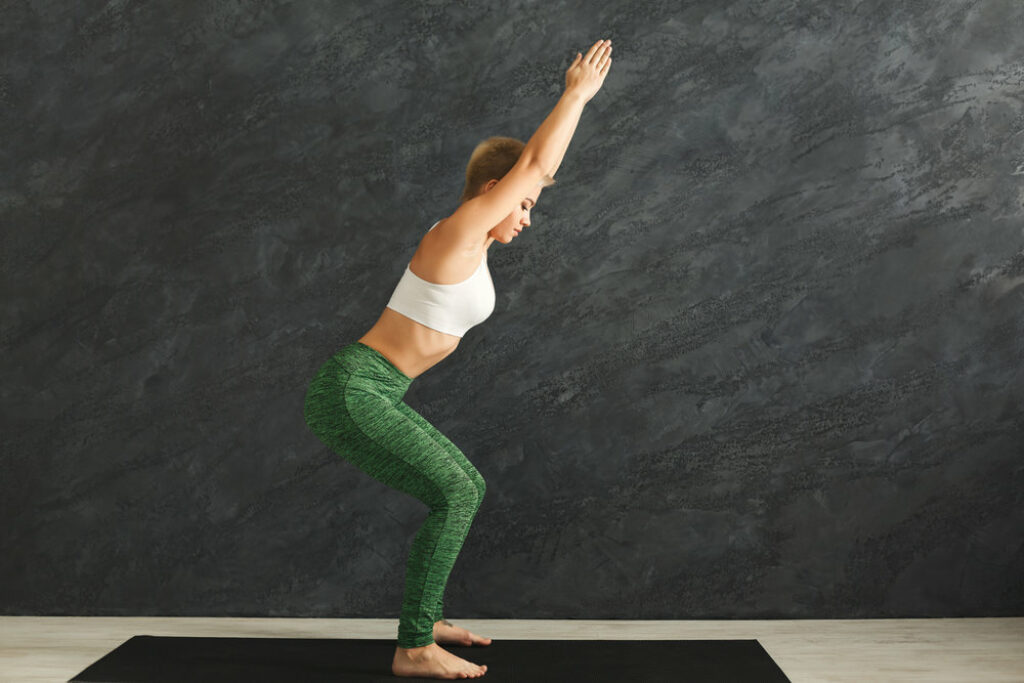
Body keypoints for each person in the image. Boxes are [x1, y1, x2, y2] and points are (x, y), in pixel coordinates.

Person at [303, 38, 613, 680]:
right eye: (523, 205)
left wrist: (533, 168)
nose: (528, 217)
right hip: (355, 390)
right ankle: (414, 647)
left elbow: (529, 171)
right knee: (460, 487)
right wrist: (575, 95)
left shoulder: (476, 252)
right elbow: (536, 165)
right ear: (493, 192)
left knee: (452, 493)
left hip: (374, 392)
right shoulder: (456, 234)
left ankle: (424, 617)